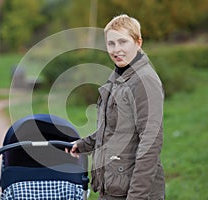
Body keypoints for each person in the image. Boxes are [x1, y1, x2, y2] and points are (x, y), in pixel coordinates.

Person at [66, 14, 165, 200]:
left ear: (138, 42)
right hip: (114, 188)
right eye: (111, 43)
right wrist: (84, 144)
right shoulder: (119, 75)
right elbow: (114, 129)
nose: (116, 49)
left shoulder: (144, 81)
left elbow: (151, 144)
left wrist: (136, 197)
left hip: (133, 193)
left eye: (123, 42)